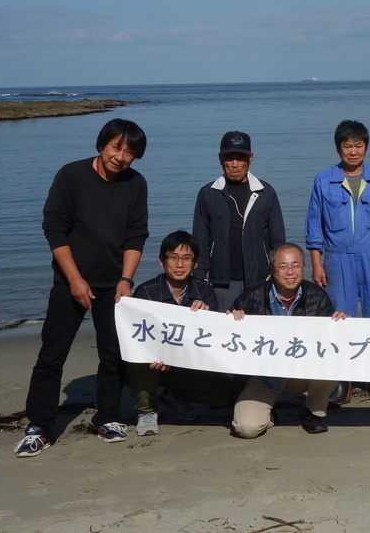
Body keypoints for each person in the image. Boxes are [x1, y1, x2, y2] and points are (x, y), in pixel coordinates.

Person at [15, 119, 149, 457]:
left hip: (112, 286)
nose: (121, 156)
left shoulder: (136, 184)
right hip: (69, 281)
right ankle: (40, 426)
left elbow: (136, 234)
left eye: (130, 152)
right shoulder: (71, 176)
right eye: (117, 147)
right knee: (51, 355)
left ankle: (108, 417)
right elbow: (55, 229)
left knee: (113, 354)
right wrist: (75, 280)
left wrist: (126, 280)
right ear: (102, 144)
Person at [305, 120, 370, 406]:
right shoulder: (324, 180)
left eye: (358, 145)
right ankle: (341, 382)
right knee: (339, 321)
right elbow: (314, 226)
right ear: (338, 148)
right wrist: (317, 263)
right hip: (337, 258)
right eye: (347, 146)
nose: (352, 151)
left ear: (366, 147)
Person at [228, 243, 349, 437]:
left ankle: (312, 413)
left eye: (296, 265)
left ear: (303, 267)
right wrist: (233, 317)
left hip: (302, 372)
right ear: (272, 269)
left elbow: (330, 342)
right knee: (246, 428)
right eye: (283, 266)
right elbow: (228, 337)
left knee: (331, 366)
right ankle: (268, 411)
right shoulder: (252, 296)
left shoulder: (317, 296)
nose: (290, 272)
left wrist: (341, 325)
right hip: (265, 375)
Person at [128, 231, 232, 436]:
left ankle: (174, 397)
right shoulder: (146, 292)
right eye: (173, 257)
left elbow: (212, 338)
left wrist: (207, 313)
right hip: (153, 363)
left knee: (225, 391)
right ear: (161, 261)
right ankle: (146, 411)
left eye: (186, 258)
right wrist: (159, 353)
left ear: (195, 264)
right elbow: (137, 337)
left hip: (187, 362)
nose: (179, 264)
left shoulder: (204, 291)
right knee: (140, 361)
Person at [192, 131, 287, 311]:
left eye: (240, 158)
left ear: (250, 158)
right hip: (221, 284)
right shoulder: (208, 193)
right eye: (229, 157)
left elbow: (278, 241)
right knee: (224, 333)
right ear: (220, 158)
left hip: (260, 281)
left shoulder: (265, 193)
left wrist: (278, 275)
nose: (235, 164)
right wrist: (199, 279)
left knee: (258, 333)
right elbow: (200, 241)